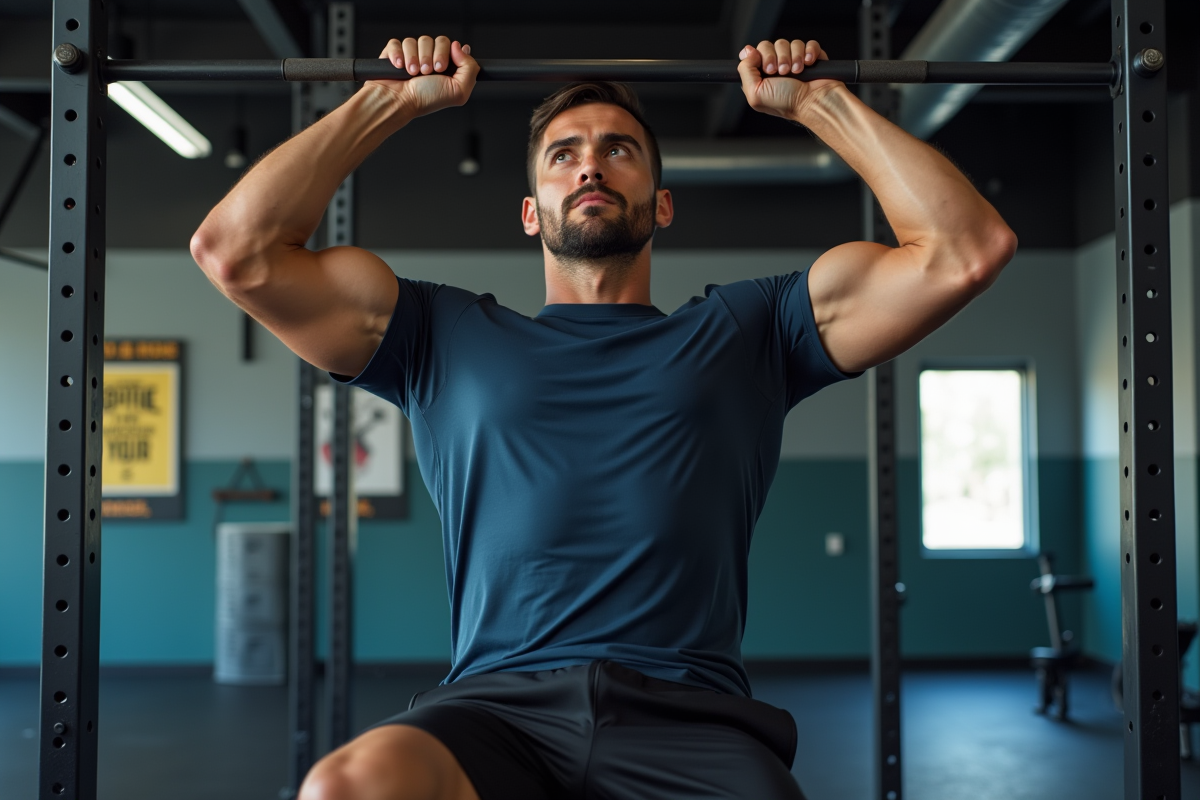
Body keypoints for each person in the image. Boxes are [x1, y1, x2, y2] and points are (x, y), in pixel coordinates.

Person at [191, 34, 1016, 800]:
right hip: (495, 711)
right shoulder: (438, 336)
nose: (591, 167)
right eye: (564, 155)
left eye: (618, 150)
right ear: (529, 211)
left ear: (661, 205)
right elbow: (237, 251)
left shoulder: (750, 330)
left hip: (688, 717)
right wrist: (391, 101)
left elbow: (965, 248)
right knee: (344, 788)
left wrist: (818, 103)